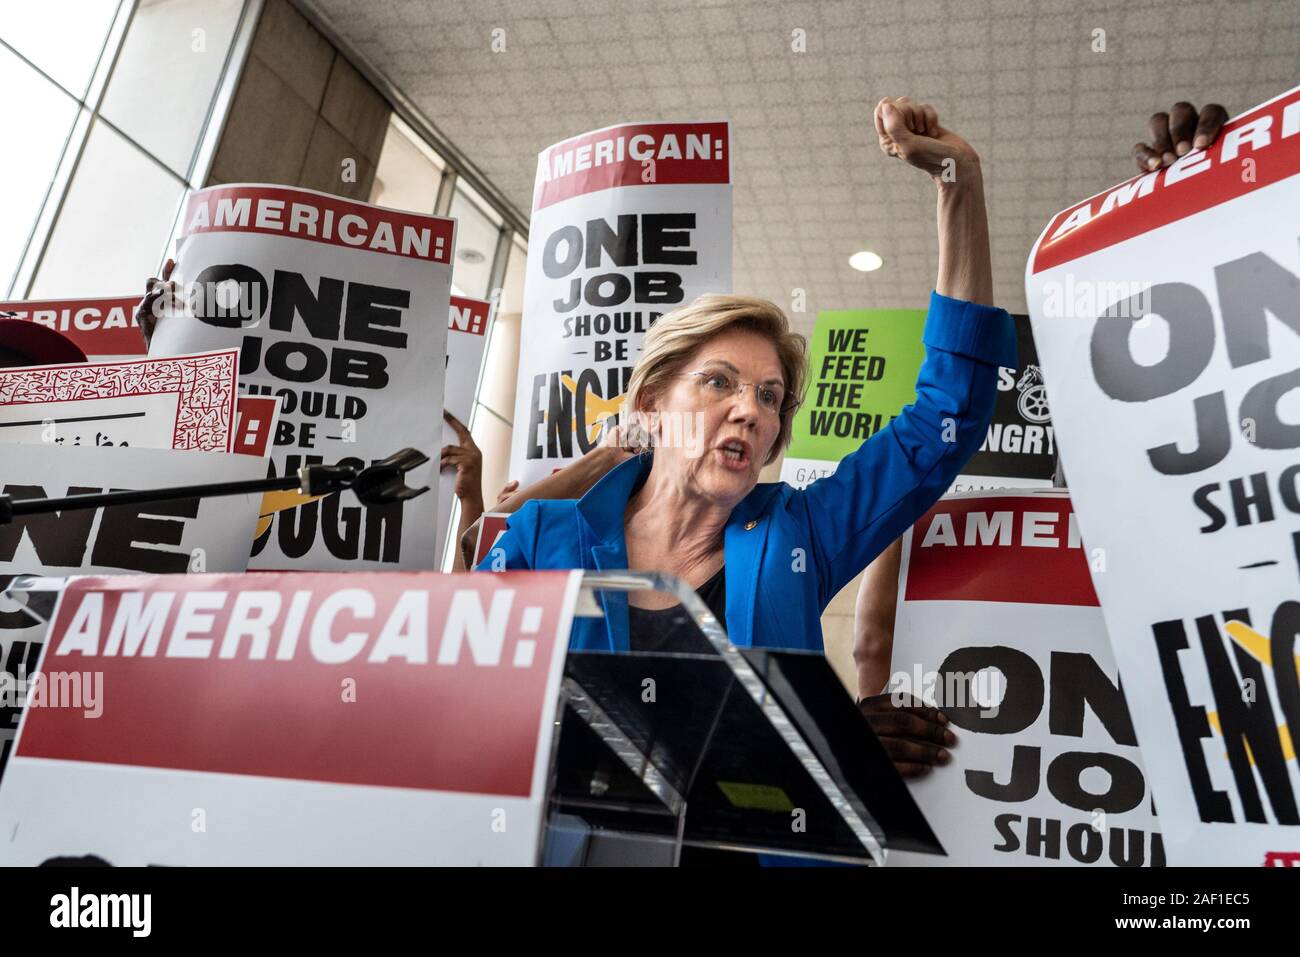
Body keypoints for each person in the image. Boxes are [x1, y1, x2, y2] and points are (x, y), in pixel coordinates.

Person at [479, 94, 1014, 679]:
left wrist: (958, 182)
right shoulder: (543, 536)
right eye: (718, 382)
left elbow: (946, 415)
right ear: (652, 405)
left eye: (769, 396)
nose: (750, 411)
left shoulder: (799, 535)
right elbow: (470, 699)